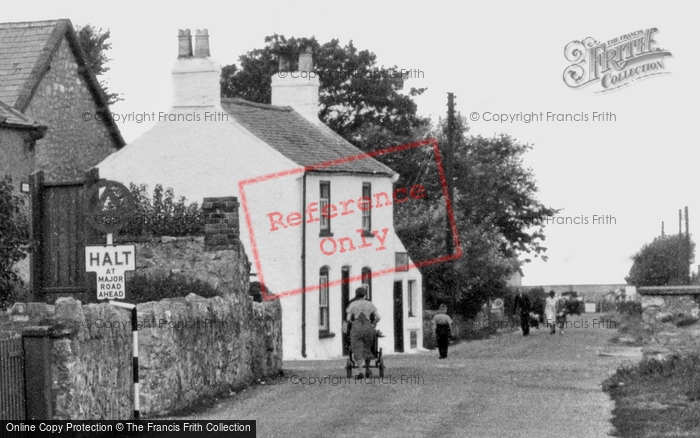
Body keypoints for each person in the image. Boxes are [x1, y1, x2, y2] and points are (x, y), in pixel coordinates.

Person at [346, 287, 380, 378]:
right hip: (367, 327)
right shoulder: (370, 304)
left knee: (357, 349)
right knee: (367, 348)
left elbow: (348, 319)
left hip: (357, 327)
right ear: (365, 295)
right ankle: (368, 370)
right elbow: (378, 317)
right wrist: (373, 324)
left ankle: (361, 371)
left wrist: (353, 323)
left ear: (356, 295)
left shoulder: (353, 304)